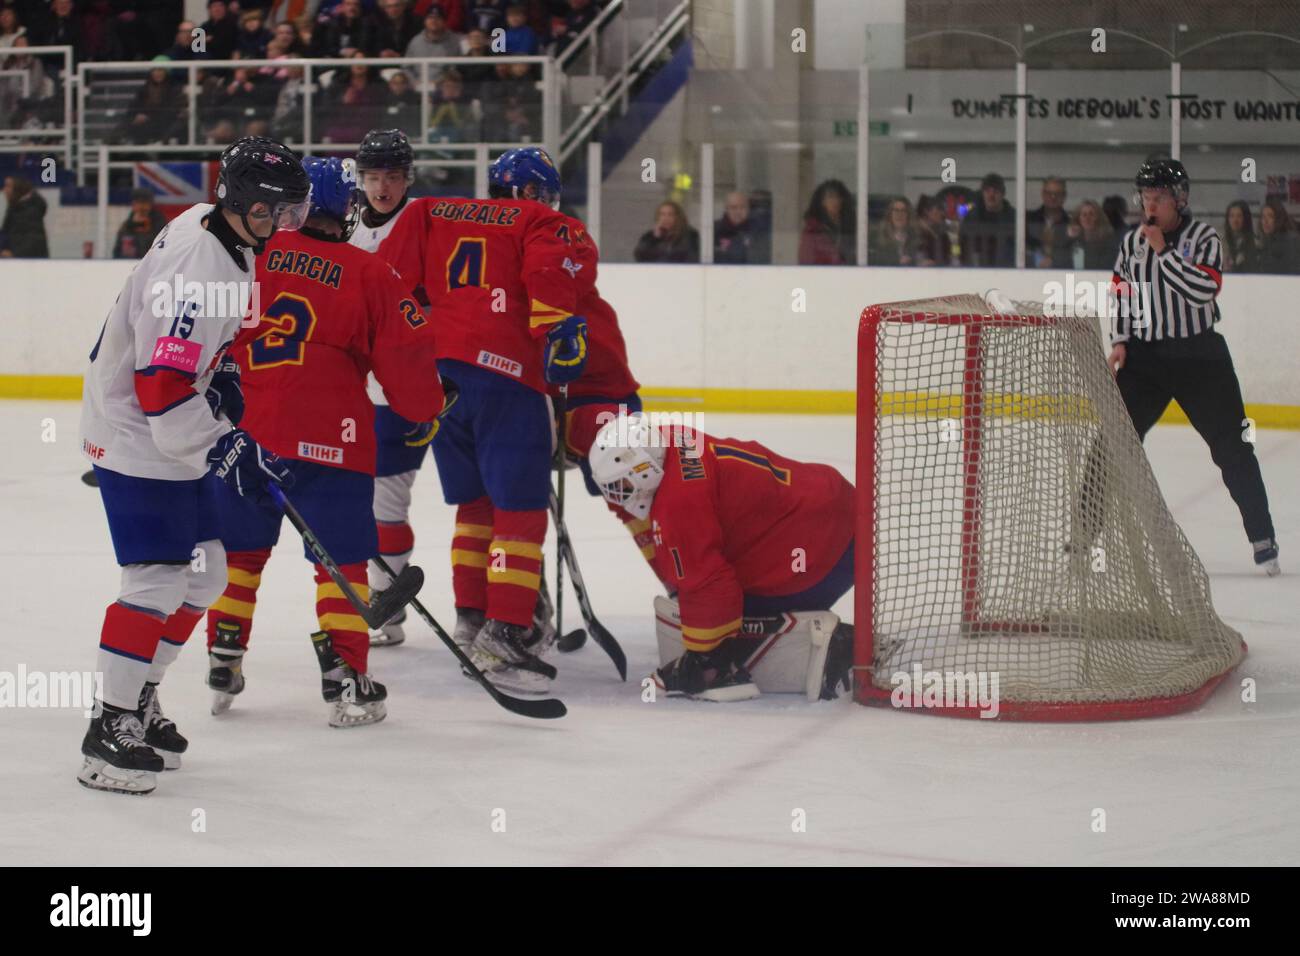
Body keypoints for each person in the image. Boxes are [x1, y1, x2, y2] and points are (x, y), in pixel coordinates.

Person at [76, 137, 309, 795]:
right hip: (134, 434)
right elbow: (158, 388)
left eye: (288, 213)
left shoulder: (224, 234)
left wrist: (226, 370)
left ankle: (139, 696)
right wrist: (222, 444)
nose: (282, 226)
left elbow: (203, 350)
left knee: (206, 573)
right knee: (154, 580)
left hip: (164, 431)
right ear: (241, 202)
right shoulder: (200, 267)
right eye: (272, 213)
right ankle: (107, 726)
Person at [204, 155, 442, 726]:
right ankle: (344, 683)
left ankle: (224, 656)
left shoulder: (248, 258)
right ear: (349, 210)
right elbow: (409, 368)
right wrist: (428, 408)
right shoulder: (370, 272)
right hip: (333, 438)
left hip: (248, 432)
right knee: (342, 562)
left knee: (239, 552)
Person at [377, 146, 594, 694]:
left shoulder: (430, 210)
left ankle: (471, 618)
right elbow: (550, 271)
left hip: (442, 377)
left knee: (475, 507)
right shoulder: (543, 220)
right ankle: (508, 630)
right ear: (534, 193)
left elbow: (394, 281)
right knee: (519, 511)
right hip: (506, 377)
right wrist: (557, 330)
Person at [587, 414, 856, 702]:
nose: (619, 495)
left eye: (622, 486)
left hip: (825, 552)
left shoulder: (678, 504)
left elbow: (710, 584)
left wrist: (704, 661)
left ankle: (836, 649)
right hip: (833, 502)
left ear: (644, 471)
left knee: (725, 618)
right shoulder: (669, 438)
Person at [1106, 158, 1278, 575]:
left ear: (1179, 200)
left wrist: (1163, 252)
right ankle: (1081, 539)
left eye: (1159, 197)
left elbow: (1203, 290)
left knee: (1233, 448)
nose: (1151, 205)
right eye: (1146, 196)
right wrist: (1121, 339)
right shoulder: (1132, 242)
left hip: (1201, 358)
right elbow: (1122, 291)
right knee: (1112, 444)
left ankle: (1263, 538)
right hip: (1146, 360)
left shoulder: (1204, 237)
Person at [347, 129, 428, 647]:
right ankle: (387, 606)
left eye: (393, 177)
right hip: (363, 389)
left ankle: (511, 611)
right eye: (374, 177)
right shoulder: (347, 224)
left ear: (407, 179)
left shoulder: (424, 222)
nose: (383, 187)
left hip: (413, 384)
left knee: (391, 496)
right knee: (377, 500)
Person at [958, 172, 1015, 267]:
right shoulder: (972, 216)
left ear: (1003, 194)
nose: (991, 195)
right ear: (982, 193)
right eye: (987, 191)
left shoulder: (1013, 217)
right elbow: (963, 244)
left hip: (1006, 269)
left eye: (996, 191)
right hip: (976, 268)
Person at [798, 179, 854, 265]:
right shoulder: (812, 231)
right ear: (822, 202)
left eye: (838, 197)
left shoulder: (851, 226)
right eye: (830, 197)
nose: (835, 201)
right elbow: (806, 263)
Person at [713, 190, 770, 265]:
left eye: (742, 207)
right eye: (733, 208)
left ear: (748, 209)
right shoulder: (715, 230)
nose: (738, 212)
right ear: (726, 209)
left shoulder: (758, 231)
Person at [633, 200, 699, 263]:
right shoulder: (650, 236)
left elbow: (692, 258)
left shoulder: (690, 235)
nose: (666, 218)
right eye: (662, 214)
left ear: (677, 217)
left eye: (670, 214)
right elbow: (639, 256)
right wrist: (654, 238)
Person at [0, 174, 48, 258]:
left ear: (18, 188)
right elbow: (5, 234)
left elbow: (34, 242)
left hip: (30, 265)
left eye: (8, 186)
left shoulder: (31, 211)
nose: (4, 190)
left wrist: (14, 255)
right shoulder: (14, 209)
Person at [1026, 176, 1070, 267]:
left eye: (1058, 194)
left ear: (1064, 196)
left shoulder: (1071, 224)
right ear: (1042, 194)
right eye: (1049, 193)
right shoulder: (1028, 220)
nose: (1053, 197)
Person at [112, 188, 167, 259]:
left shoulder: (160, 224)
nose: (141, 207)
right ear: (133, 205)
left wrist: (146, 230)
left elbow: (162, 248)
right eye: (138, 203)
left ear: (150, 205)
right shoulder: (127, 226)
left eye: (144, 203)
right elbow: (117, 252)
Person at [1066, 199, 1118, 270]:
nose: (1087, 218)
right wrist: (1069, 238)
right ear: (1078, 219)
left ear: (1098, 217)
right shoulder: (1073, 243)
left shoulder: (1108, 241)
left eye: (1091, 214)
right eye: (1084, 215)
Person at [871, 195, 920, 266]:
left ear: (909, 215)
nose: (899, 214)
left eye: (903, 210)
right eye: (896, 210)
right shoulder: (877, 238)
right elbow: (875, 263)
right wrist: (897, 262)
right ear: (889, 214)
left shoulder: (915, 238)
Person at [1256, 197, 1298, 275]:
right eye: (1263, 216)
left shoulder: (1291, 241)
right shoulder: (1266, 241)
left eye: (1270, 216)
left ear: (1279, 218)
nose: (1265, 221)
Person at [1221, 200, 1258, 274]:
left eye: (1239, 216)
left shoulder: (1255, 243)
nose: (1235, 220)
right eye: (1232, 216)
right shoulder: (1221, 242)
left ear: (1245, 218)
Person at [915, 194, 951, 267]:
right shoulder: (916, 233)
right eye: (938, 209)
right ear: (926, 211)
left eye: (942, 210)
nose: (942, 213)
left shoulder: (943, 234)